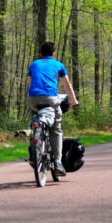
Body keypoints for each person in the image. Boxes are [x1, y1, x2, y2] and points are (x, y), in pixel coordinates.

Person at [27, 41, 79, 176]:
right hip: (50, 98)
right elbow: (68, 85)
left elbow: (29, 83)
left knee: (38, 117)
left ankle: (33, 133)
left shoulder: (34, 64)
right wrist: (74, 101)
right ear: (54, 53)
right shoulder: (59, 65)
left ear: (40, 53)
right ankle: (57, 162)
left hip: (33, 98)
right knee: (56, 129)